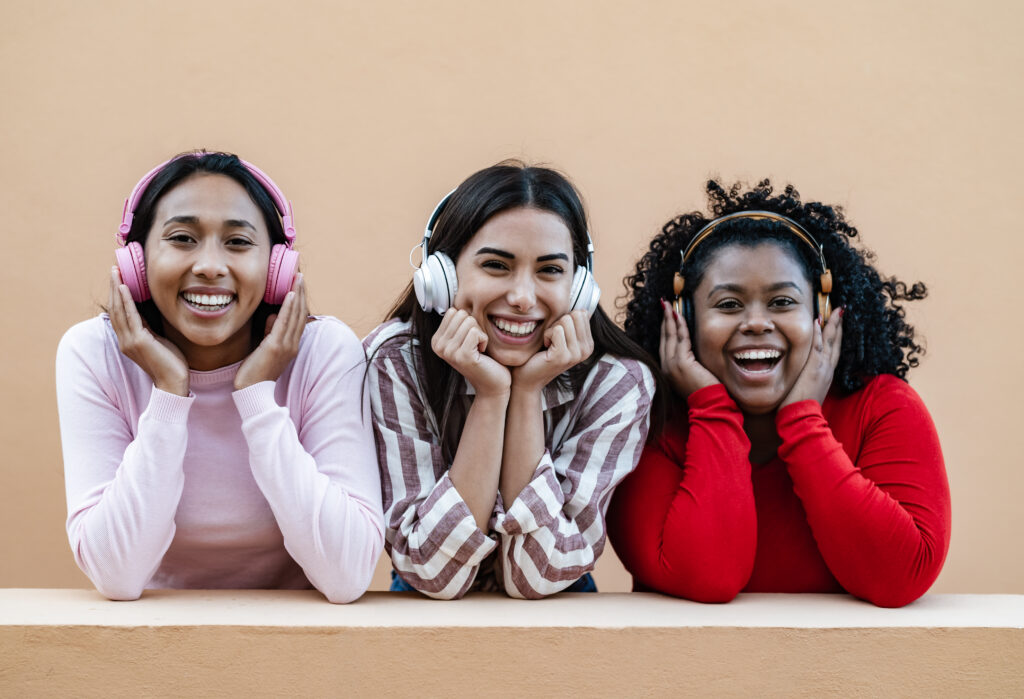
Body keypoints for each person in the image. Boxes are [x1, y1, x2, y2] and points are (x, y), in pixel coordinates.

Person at [56, 151, 384, 602]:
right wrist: (170, 393)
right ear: (136, 263)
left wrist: (257, 396)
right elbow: (116, 574)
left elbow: (347, 575)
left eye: (238, 242)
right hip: (154, 645)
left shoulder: (323, 352)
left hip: (299, 644)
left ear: (278, 269)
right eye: (183, 238)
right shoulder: (94, 354)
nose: (210, 265)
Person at [607, 179, 950, 607]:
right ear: (684, 318)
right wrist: (711, 408)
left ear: (821, 312)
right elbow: (708, 577)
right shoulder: (647, 421)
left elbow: (900, 577)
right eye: (728, 304)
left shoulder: (883, 407)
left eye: (783, 302)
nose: (756, 323)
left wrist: (804, 420)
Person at [364, 161, 661, 599]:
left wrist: (525, 394)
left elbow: (537, 578)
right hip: (426, 625)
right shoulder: (396, 361)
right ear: (441, 276)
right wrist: (491, 396)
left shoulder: (616, 382)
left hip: (559, 623)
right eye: (497, 265)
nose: (523, 298)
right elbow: (431, 573)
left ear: (581, 287)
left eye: (550, 270)